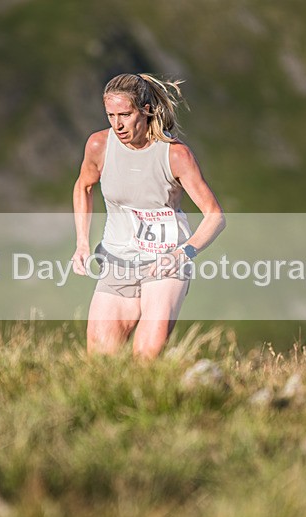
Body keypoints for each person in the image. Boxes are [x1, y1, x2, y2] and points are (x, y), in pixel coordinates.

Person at [71, 73, 225, 359]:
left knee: (147, 354)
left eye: (125, 115)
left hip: (164, 264)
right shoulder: (99, 145)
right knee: (99, 361)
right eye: (111, 115)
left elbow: (215, 216)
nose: (117, 124)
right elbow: (84, 185)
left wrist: (183, 253)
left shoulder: (175, 154)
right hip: (117, 262)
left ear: (146, 110)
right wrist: (82, 243)